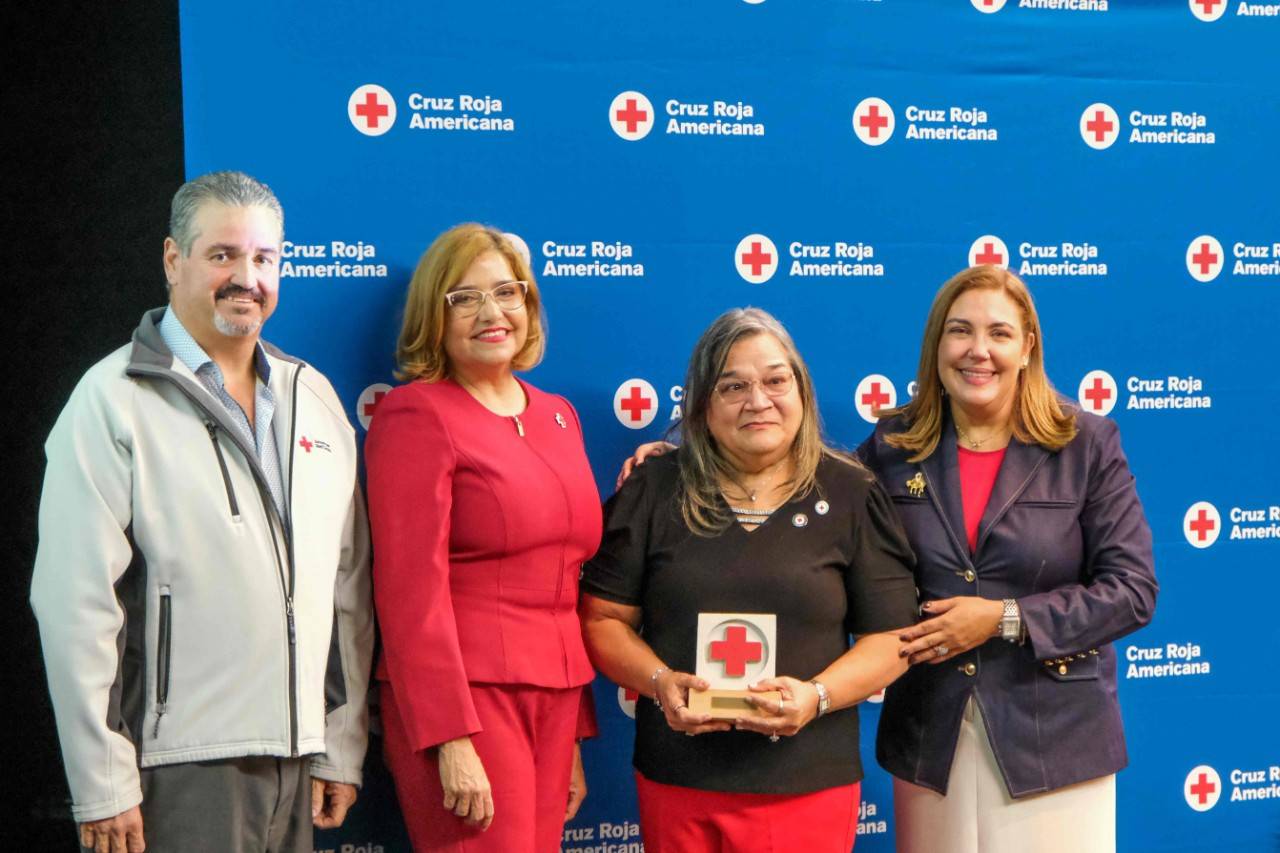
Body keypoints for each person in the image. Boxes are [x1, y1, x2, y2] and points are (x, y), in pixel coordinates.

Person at [30, 171, 373, 853]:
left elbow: (347, 588)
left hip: (297, 758)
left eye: (264, 258)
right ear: (172, 259)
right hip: (174, 763)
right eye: (223, 255)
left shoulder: (317, 399)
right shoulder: (113, 399)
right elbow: (76, 602)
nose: (246, 277)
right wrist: (103, 779)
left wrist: (338, 741)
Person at [582, 308, 918, 852]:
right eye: (732, 385)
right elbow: (602, 620)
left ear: (802, 391)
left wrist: (816, 696)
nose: (757, 401)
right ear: (701, 406)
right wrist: (662, 682)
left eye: (775, 380)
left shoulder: (852, 492)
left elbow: (894, 638)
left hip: (807, 782)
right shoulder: (654, 489)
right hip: (680, 780)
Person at [858, 266, 1157, 853]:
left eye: (998, 333)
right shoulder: (892, 447)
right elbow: (801, 491)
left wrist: (1004, 618)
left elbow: (1132, 589)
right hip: (930, 738)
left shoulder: (1086, 444)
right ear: (936, 346)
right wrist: (674, 456)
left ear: (1027, 347)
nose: (978, 350)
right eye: (960, 331)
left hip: (1058, 739)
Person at [365, 224, 599, 852]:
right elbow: (409, 591)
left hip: (554, 700)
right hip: (466, 701)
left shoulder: (556, 413)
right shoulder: (416, 414)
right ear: (433, 318)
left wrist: (572, 728)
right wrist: (448, 736)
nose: (491, 313)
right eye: (464, 299)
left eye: (506, 293)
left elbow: (565, 576)